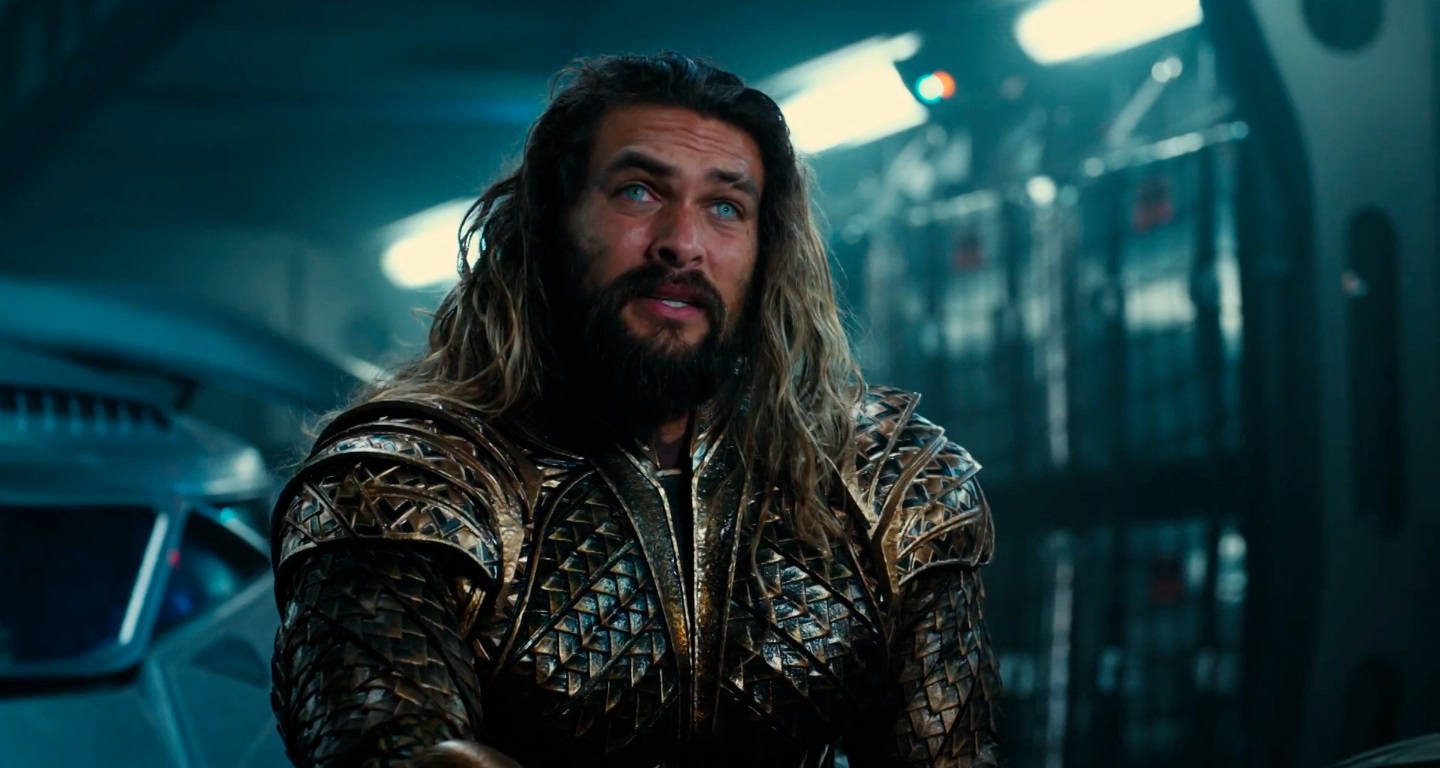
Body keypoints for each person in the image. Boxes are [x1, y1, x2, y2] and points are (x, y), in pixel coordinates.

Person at [270, 51, 1003, 768]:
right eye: (638, 193)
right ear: (552, 224)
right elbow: (393, 748)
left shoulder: (885, 484)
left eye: (725, 207)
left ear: (766, 251)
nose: (681, 244)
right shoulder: (406, 485)